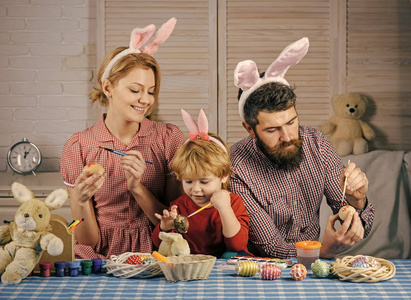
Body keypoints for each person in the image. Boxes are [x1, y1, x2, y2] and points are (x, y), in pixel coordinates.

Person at [230, 37, 375, 259]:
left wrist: (357, 200)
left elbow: (351, 215)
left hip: (313, 262)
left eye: (291, 122)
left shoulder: (317, 142)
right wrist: (324, 251)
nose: (287, 137)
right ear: (250, 129)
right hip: (260, 270)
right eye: (272, 130)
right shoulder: (236, 166)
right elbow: (270, 247)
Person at [60, 18, 185, 259]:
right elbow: (86, 240)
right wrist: (82, 200)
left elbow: (177, 223)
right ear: (108, 88)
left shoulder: (168, 139)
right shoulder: (78, 147)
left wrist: (137, 188)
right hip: (101, 261)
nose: (145, 100)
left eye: (151, 91)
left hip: (158, 256)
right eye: (135, 90)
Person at [152, 109, 250, 258]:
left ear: (224, 176)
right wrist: (165, 228)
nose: (196, 189)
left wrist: (224, 209)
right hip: (191, 265)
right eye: (188, 181)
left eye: (204, 182)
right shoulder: (179, 206)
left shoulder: (233, 203)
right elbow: (160, 244)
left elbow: (237, 245)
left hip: (224, 265)